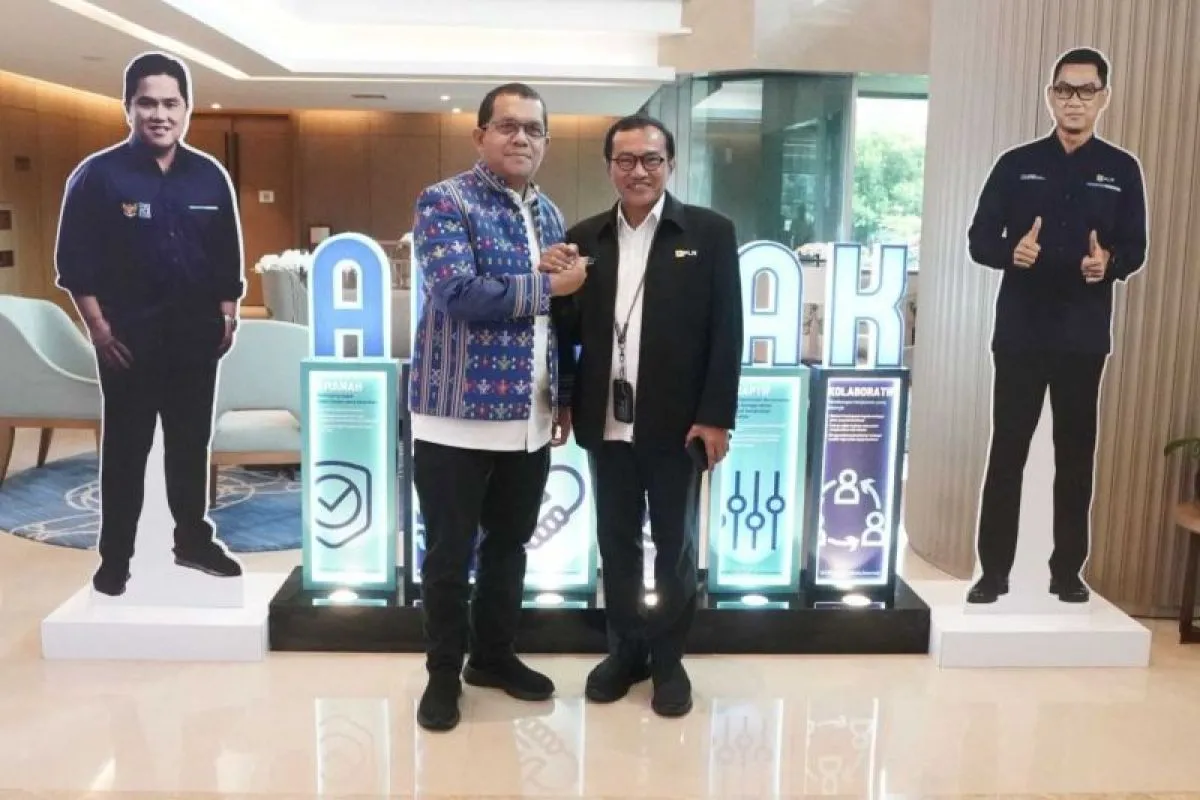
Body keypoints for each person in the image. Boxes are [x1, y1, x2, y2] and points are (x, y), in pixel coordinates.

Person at [408, 82, 587, 732]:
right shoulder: (444, 201)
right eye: (507, 126)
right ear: (479, 135)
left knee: (510, 547)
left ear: (546, 141)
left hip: (528, 419)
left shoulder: (550, 213)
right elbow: (457, 293)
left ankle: (492, 657)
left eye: (533, 129)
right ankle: (441, 674)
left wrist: (562, 396)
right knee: (448, 555)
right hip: (454, 416)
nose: (521, 138)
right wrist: (547, 283)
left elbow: (557, 318)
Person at [552, 115, 743, 717]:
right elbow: (565, 331)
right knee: (616, 543)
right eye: (626, 160)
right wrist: (553, 285)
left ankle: (668, 659)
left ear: (671, 164)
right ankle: (625, 651)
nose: (639, 171)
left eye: (651, 160)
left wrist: (715, 417)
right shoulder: (584, 237)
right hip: (606, 421)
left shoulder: (708, 233)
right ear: (610, 166)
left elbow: (727, 331)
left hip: (678, 424)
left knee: (674, 546)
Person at [54, 51, 245, 598]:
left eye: (170, 103)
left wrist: (228, 312)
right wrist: (98, 329)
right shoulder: (97, 175)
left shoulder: (209, 176)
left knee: (190, 443)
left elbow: (226, 252)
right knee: (126, 449)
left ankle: (193, 541)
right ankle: (115, 557)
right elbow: (74, 261)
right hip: (127, 340)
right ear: (128, 107)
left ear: (186, 109)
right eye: (147, 103)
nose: (159, 114)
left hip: (195, 336)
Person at [966, 47, 1148, 604]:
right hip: (1020, 332)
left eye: (1086, 91)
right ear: (1050, 96)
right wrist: (1010, 253)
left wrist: (1109, 264)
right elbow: (979, 239)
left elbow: (1136, 247)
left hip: (1082, 336)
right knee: (1008, 451)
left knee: (1075, 456)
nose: (1075, 100)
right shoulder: (1015, 163)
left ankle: (1067, 571)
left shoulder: (1122, 169)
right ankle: (993, 572)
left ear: (1104, 98)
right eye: (1065, 90)